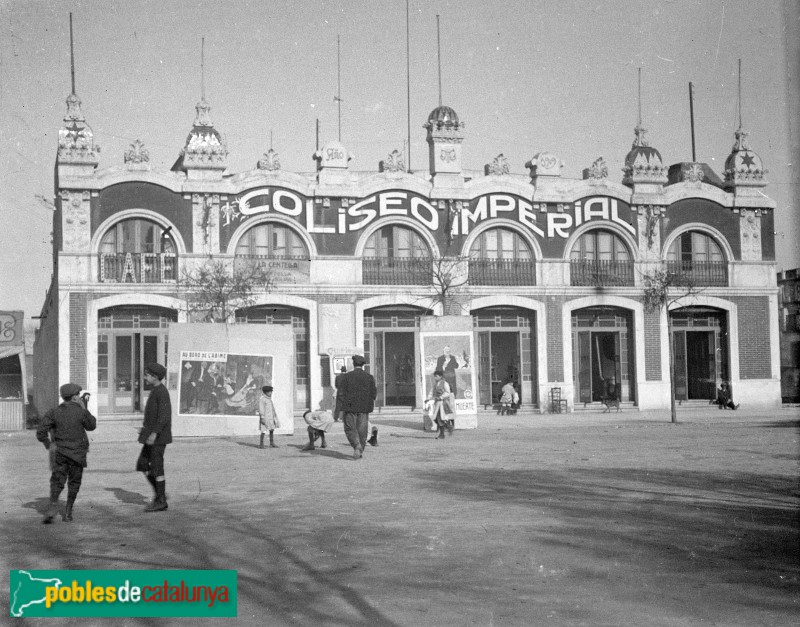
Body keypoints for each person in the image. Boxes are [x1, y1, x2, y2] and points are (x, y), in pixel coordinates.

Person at [36, 383, 97, 523]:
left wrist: (48, 444)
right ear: (75, 397)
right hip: (77, 453)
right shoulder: (81, 412)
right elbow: (92, 426)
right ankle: (68, 512)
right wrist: (84, 408)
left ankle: (52, 507)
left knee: (57, 481)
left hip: (59, 453)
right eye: (78, 395)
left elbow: (40, 432)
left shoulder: (54, 412)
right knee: (74, 482)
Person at [138, 362, 172, 512]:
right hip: (151, 436)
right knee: (143, 465)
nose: (145, 377)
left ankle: (161, 500)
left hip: (158, 438)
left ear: (155, 377)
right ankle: (160, 494)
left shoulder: (162, 392)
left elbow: (164, 416)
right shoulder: (155, 390)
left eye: (147, 375)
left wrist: (154, 433)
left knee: (157, 468)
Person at [336, 354, 377, 460]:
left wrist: (339, 410)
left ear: (353, 364)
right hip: (364, 408)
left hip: (349, 406)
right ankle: (360, 448)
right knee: (362, 430)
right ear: (362, 365)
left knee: (350, 428)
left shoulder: (347, 376)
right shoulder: (369, 377)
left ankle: (356, 445)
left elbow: (341, 394)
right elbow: (373, 394)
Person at [428, 370, 455, 439]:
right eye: (434, 376)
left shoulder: (445, 383)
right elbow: (431, 392)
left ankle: (442, 434)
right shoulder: (435, 384)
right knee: (436, 419)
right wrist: (428, 398)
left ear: (440, 376)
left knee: (439, 418)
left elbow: (448, 392)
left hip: (443, 403)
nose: (435, 378)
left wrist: (441, 397)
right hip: (437, 403)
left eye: (436, 376)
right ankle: (448, 427)